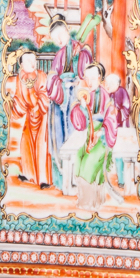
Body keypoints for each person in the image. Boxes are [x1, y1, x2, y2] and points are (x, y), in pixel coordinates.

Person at [46, 15, 92, 183]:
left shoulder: (82, 51)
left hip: (77, 99)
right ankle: (63, 177)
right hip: (61, 101)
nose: (58, 40)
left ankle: (80, 175)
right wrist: (60, 84)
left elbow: (87, 76)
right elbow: (52, 78)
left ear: (67, 30)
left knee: (77, 135)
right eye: (54, 38)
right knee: (61, 137)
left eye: (60, 34)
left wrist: (78, 81)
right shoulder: (59, 55)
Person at [69, 62, 119, 211]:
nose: (89, 82)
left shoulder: (106, 96)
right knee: (79, 158)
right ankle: (86, 200)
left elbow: (111, 120)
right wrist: (81, 107)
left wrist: (101, 132)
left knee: (89, 164)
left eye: (92, 78)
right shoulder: (87, 95)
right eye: (87, 78)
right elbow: (81, 124)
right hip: (90, 138)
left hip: (102, 140)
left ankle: (91, 202)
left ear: (99, 77)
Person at [7, 50, 53, 189]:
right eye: (28, 61)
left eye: (34, 60)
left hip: (41, 115)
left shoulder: (42, 76)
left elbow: (45, 95)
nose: (32, 64)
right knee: (25, 143)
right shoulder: (18, 78)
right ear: (21, 64)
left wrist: (37, 104)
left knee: (41, 145)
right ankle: (28, 174)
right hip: (28, 116)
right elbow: (15, 97)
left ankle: (43, 179)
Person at [102, 72, 132, 189]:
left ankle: (121, 180)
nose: (107, 86)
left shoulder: (122, 92)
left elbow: (126, 109)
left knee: (119, 155)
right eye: (106, 84)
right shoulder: (108, 94)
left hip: (120, 128)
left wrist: (117, 110)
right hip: (109, 128)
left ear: (115, 84)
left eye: (109, 84)